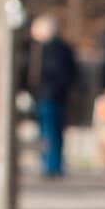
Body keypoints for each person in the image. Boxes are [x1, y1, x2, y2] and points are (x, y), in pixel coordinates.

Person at [32, 17, 78, 178]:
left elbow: (51, 73)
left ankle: (50, 165)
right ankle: (53, 165)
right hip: (56, 95)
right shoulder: (64, 48)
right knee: (55, 132)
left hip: (48, 95)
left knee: (49, 132)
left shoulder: (49, 50)